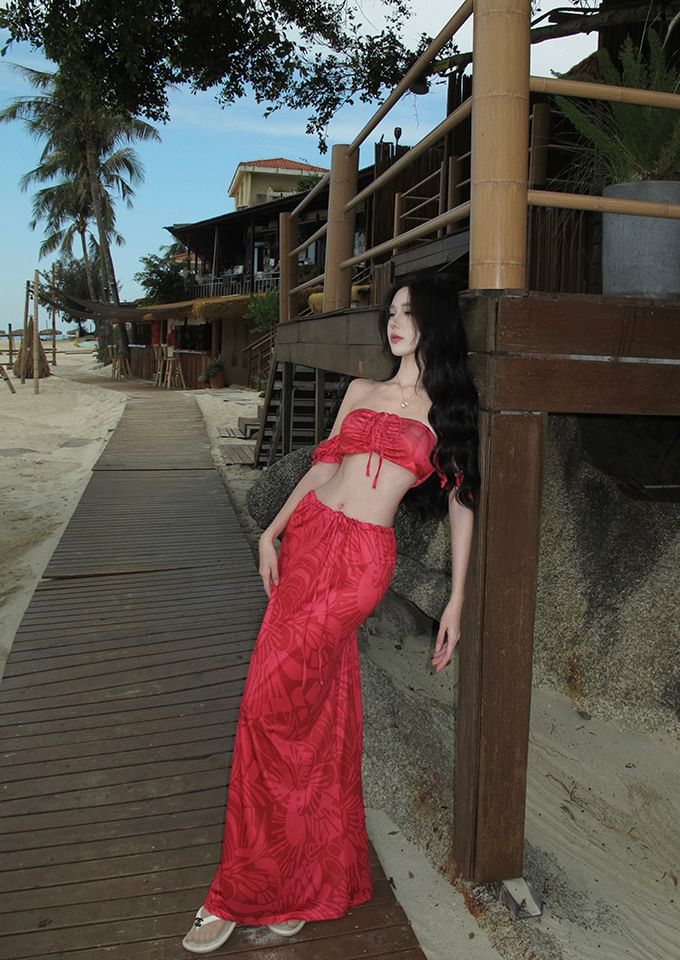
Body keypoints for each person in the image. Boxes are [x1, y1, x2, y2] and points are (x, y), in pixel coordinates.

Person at [182, 274, 480, 953]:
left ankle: (238, 891)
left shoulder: (447, 410)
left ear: (434, 322)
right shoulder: (361, 390)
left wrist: (457, 599)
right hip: (311, 536)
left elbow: (463, 502)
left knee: (267, 706)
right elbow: (322, 471)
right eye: (390, 311)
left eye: (408, 313)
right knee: (310, 714)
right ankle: (296, 881)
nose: (394, 323)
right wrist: (271, 533)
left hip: (360, 563)